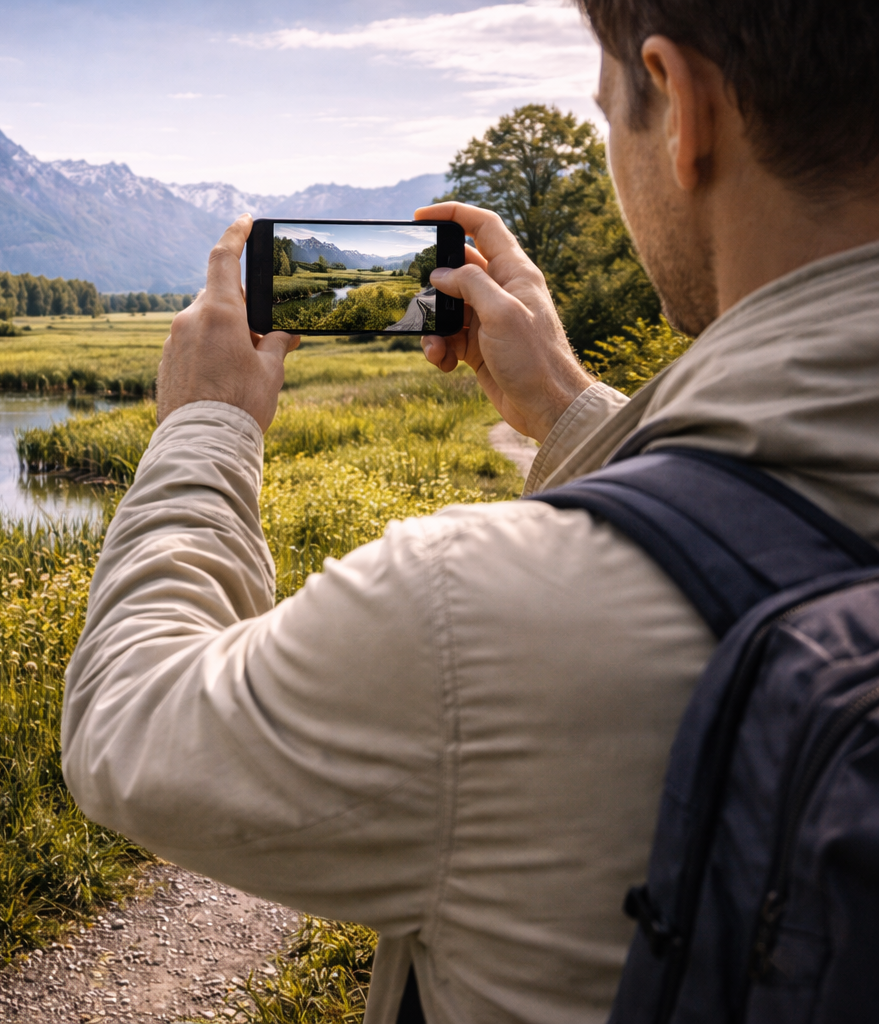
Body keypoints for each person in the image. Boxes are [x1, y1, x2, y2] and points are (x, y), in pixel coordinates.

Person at [59, 1, 879, 1021]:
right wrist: (572, 416)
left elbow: (127, 731)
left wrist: (204, 429)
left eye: (609, 113)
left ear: (681, 110)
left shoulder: (466, 611)